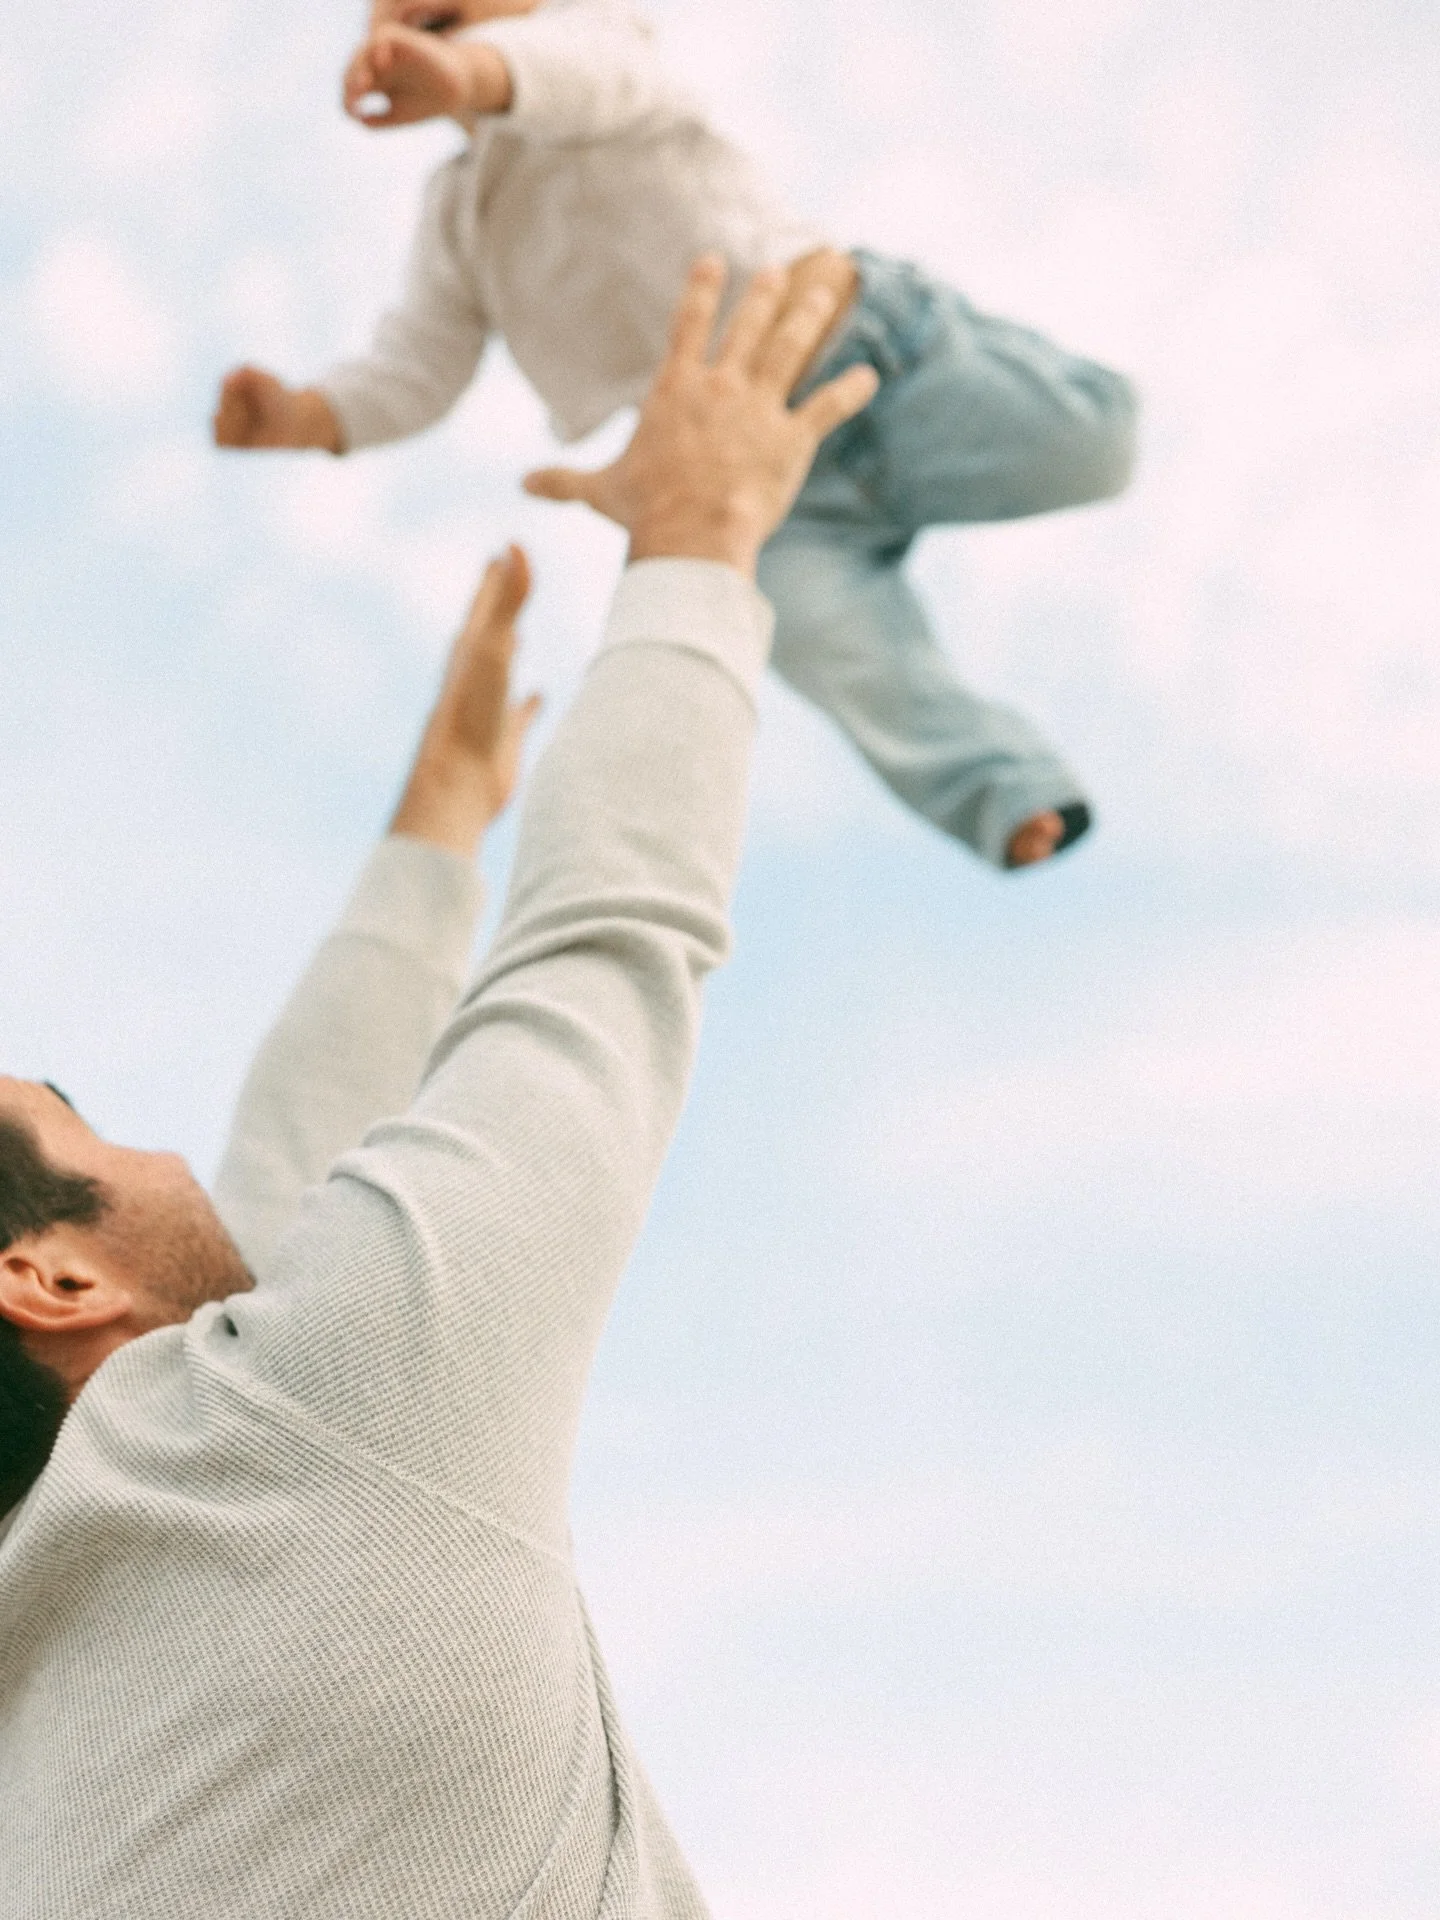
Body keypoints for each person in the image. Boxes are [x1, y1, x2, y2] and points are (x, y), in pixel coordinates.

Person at [0, 261, 877, 1919]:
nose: (157, 1148)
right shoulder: (304, 1435)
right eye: (82, 1123)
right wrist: (698, 533)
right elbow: (599, 952)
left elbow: (289, 1208)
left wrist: (439, 828)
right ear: (49, 1278)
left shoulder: (43, 1730)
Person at [213, 0, 1139, 872]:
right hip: (757, 489)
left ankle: (1010, 356)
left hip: (870, 358)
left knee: (1098, 447)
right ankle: (1003, 791)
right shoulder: (458, 216)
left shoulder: (602, 44)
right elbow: (418, 366)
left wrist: (475, 71)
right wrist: (308, 416)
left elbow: (582, 72)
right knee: (838, 655)